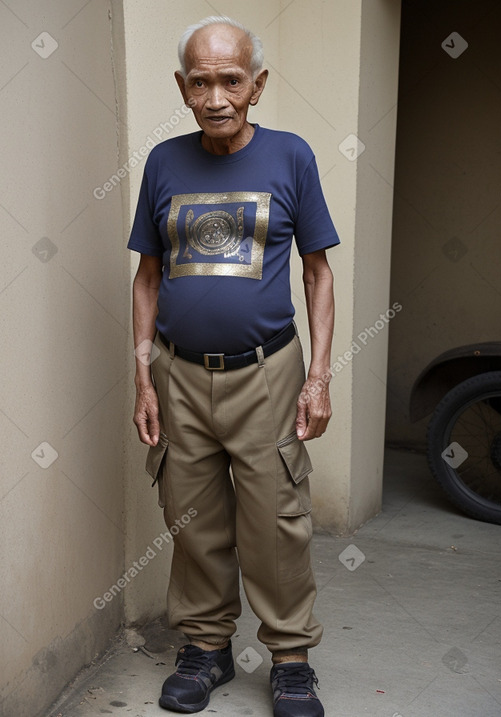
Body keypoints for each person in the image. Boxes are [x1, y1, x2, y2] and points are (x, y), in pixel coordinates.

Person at [128, 15, 339, 717]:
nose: (216, 95)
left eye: (231, 80)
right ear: (183, 88)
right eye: (201, 81)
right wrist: (142, 376)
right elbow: (147, 278)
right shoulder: (164, 162)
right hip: (179, 375)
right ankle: (205, 648)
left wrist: (319, 377)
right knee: (191, 514)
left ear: (257, 84)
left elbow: (317, 272)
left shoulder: (291, 156)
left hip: (269, 372)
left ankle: (290, 658)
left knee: (277, 517)